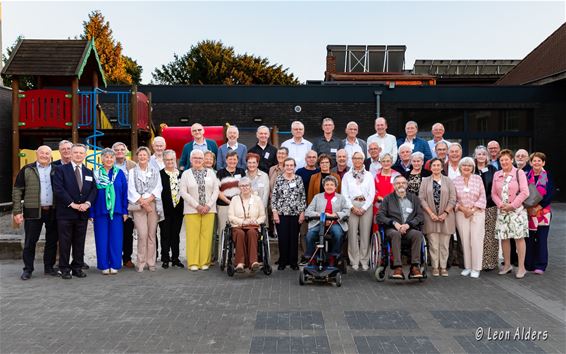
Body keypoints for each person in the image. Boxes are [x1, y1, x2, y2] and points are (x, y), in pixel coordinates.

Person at [13, 146, 59, 280]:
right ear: (36, 154)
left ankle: (49, 268)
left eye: (47, 153)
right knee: (30, 241)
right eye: (42, 153)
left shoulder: (57, 170)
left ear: (51, 155)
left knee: (51, 241)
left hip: (53, 210)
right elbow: (17, 191)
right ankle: (28, 269)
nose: (44, 155)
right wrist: (17, 211)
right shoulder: (27, 169)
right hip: (33, 211)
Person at [52, 144, 97, 279]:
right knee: (65, 242)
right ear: (70, 154)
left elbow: (93, 190)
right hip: (66, 213)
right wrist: (72, 204)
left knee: (79, 241)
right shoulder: (60, 170)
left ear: (84, 155)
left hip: (82, 213)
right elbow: (58, 189)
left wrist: (87, 204)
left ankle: (77, 267)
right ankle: (64, 268)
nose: (78, 155)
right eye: (76, 152)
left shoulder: (89, 172)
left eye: (81, 153)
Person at [376, 175, 424, 279]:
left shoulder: (414, 199)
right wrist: (394, 223)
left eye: (403, 183)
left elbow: (420, 216)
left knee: (417, 234)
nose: (400, 185)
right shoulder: (387, 199)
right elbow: (380, 216)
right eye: (398, 183)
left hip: (409, 229)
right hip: (393, 229)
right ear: (394, 186)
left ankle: (415, 267)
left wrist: (408, 225)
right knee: (395, 234)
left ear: (406, 185)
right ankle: (397, 267)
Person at [492, 149, 529, 279]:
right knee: (504, 238)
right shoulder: (497, 174)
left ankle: (522, 267)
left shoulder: (519, 173)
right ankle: (507, 265)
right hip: (502, 210)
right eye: (501, 160)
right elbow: (493, 193)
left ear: (511, 160)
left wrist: (512, 205)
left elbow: (525, 192)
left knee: (519, 238)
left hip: (517, 211)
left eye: (506, 159)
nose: (504, 162)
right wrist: (500, 204)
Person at [179, 150, 219, 271]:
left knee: (206, 236)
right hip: (191, 210)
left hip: (209, 210)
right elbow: (183, 192)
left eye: (200, 158)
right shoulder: (186, 174)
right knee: (193, 236)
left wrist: (208, 205)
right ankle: (193, 262)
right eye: (195, 158)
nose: (198, 160)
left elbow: (216, 190)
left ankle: (204, 262)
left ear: (203, 160)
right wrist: (197, 206)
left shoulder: (211, 173)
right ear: (191, 160)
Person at [90, 148, 128, 275]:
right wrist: (91, 212)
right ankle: (104, 265)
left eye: (111, 157)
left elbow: (124, 193)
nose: (109, 159)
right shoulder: (95, 173)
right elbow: (91, 194)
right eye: (106, 157)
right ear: (102, 159)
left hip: (116, 211)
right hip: (100, 211)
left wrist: (125, 211)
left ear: (114, 159)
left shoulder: (120, 173)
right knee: (101, 239)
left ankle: (115, 264)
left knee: (116, 239)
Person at [128, 146, 164, 273]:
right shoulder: (132, 172)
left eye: (145, 155)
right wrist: (142, 202)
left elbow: (158, 188)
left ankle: (151, 262)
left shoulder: (155, 171)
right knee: (142, 234)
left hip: (152, 205)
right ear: (137, 157)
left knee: (151, 235)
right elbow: (131, 189)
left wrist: (148, 201)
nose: (142, 157)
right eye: (140, 155)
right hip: (138, 205)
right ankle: (141, 261)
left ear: (149, 157)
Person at [418, 158, 456, 277]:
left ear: (441, 167)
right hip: (430, 217)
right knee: (433, 244)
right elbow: (421, 198)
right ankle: (435, 266)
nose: (436, 167)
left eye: (438, 165)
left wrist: (445, 212)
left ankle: (443, 267)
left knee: (444, 244)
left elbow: (453, 198)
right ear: (430, 167)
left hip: (446, 217)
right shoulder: (425, 181)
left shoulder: (448, 181)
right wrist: (431, 213)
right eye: (433, 165)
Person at [304, 176, 349, 267]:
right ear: (324, 186)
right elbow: (308, 211)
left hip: (335, 223)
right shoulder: (317, 197)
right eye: (327, 184)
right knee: (310, 234)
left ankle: (334, 257)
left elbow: (347, 211)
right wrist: (322, 216)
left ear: (335, 187)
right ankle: (312, 258)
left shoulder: (341, 198)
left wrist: (335, 214)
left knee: (338, 234)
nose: (329, 186)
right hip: (319, 223)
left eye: (332, 185)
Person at [453, 157, 487, 278]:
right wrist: (463, 209)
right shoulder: (455, 181)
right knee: (465, 241)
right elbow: (453, 200)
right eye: (464, 165)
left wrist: (472, 210)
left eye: (469, 165)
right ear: (460, 167)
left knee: (476, 240)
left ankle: (476, 268)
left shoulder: (478, 179)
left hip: (477, 212)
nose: (466, 167)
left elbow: (483, 196)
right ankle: (468, 266)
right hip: (461, 214)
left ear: (473, 168)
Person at [271, 158, 306, 270]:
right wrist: (275, 212)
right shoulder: (279, 179)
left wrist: (302, 213)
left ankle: (293, 262)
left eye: (291, 165)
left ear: (294, 166)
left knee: (294, 238)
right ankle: (283, 261)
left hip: (296, 214)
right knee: (283, 238)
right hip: (281, 214)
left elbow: (302, 197)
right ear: (284, 166)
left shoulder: (298, 179)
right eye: (287, 165)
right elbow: (274, 197)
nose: (289, 167)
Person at [342, 151, 375, 271]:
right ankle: (354, 260)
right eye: (355, 158)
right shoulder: (347, 175)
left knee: (365, 234)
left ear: (363, 160)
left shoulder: (369, 175)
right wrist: (352, 207)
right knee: (352, 234)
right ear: (352, 159)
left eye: (360, 158)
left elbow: (372, 194)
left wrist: (364, 207)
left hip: (366, 205)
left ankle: (364, 260)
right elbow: (344, 194)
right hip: (352, 205)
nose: (357, 161)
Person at [228, 177, 266, 272]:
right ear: (239, 187)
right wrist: (242, 222)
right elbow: (230, 216)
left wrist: (256, 221)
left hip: (252, 226)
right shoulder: (234, 199)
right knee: (240, 234)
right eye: (242, 186)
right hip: (238, 226)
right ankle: (240, 263)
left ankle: (253, 262)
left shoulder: (257, 199)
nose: (244, 188)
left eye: (247, 185)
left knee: (252, 233)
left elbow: (262, 216)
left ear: (250, 187)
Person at [525, 152, 554, 275]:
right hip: (529, 212)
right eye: (534, 161)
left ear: (543, 163)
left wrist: (539, 207)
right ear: (531, 163)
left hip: (543, 212)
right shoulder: (526, 176)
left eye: (539, 161)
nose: (536, 163)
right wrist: (529, 207)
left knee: (541, 239)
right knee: (529, 239)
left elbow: (550, 193)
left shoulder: (547, 176)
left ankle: (541, 265)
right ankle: (529, 264)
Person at [112, 142, 137, 269]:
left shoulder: (132, 165)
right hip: (113, 203)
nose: (119, 151)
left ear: (126, 151)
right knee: (114, 232)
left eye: (122, 149)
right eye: (116, 150)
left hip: (128, 203)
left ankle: (127, 258)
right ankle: (114, 257)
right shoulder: (109, 164)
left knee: (128, 232)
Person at [473, 145, 498, 270]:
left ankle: (489, 262)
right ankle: (477, 261)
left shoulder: (492, 169)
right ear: (475, 156)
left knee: (489, 235)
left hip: (489, 206)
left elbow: (495, 188)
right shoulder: (471, 169)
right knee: (477, 235)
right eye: (479, 154)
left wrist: (485, 202)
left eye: (483, 154)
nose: (481, 156)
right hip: (474, 207)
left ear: (487, 156)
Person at [159, 149, 185, 269]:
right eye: (167, 159)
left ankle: (175, 258)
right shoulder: (160, 174)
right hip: (165, 210)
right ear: (164, 160)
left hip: (178, 210)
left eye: (172, 159)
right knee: (165, 235)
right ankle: (165, 258)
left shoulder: (181, 174)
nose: (170, 162)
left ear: (176, 160)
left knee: (176, 235)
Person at [216, 151, 246, 248]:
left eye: (234, 159)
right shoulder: (220, 172)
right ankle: (222, 256)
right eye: (230, 159)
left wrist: (236, 202)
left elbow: (245, 188)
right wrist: (229, 202)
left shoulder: (241, 172)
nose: (232, 161)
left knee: (237, 230)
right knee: (223, 230)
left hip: (238, 206)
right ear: (226, 160)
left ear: (237, 161)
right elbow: (218, 191)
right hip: (223, 205)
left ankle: (237, 255)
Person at [374, 153, 401, 218]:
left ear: (391, 162)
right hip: (378, 205)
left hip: (393, 206)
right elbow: (372, 189)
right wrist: (378, 197)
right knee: (378, 226)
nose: (386, 163)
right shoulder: (376, 174)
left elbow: (400, 190)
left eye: (388, 161)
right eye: (383, 161)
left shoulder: (397, 175)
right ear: (380, 163)